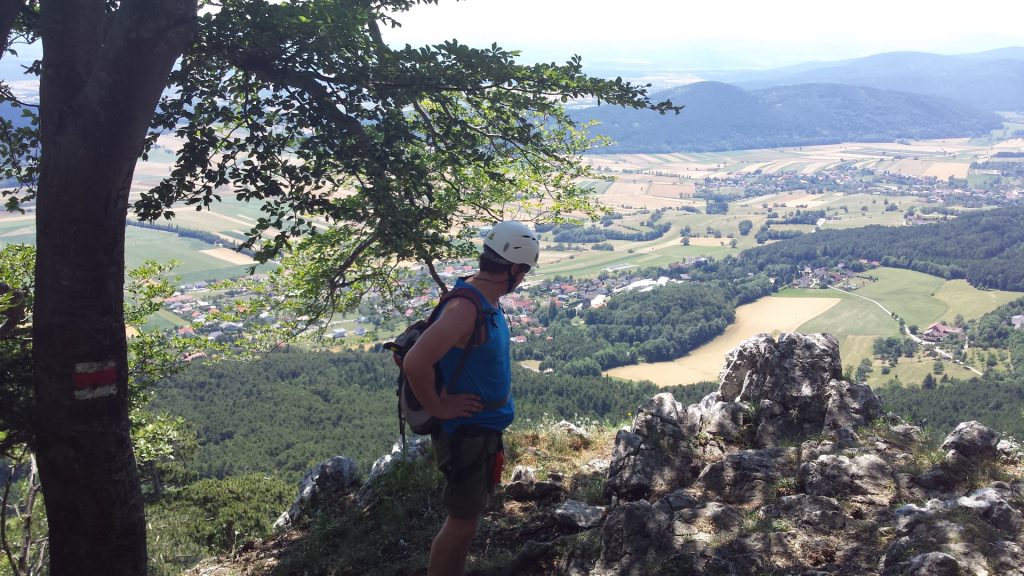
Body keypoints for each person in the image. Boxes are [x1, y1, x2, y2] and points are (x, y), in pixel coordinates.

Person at [402, 221, 540, 576]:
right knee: (461, 525)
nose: (523, 278)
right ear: (513, 269)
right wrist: (439, 406)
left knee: (467, 521)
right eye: (523, 271)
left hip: (480, 432)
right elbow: (417, 361)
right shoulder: (467, 309)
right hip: (466, 434)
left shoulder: (484, 299)